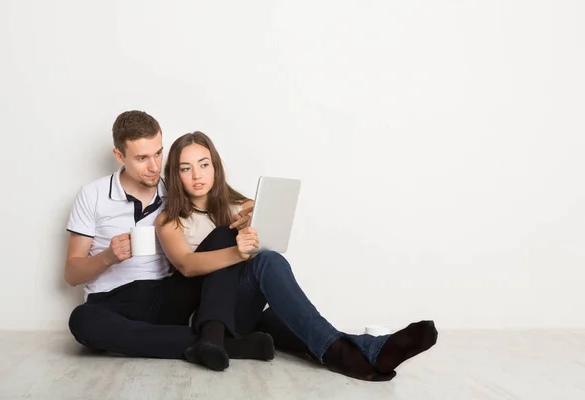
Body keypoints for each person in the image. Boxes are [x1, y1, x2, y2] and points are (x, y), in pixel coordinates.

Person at [155, 131, 439, 382]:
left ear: (215, 167)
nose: (197, 175)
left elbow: (267, 242)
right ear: (175, 175)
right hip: (205, 318)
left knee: (294, 321)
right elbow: (186, 265)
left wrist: (258, 217)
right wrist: (238, 252)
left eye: (204, 165)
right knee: (269, 265)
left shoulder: (239, 207)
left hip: (245, 310)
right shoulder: (170, 220)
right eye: (185, 168)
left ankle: (372, 351)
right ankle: (357, 352)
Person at [65, 111, 274, 372]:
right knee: (82, 320)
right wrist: (108, 256)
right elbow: (72, 274)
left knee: (222, 235)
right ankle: (229, 345)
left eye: (158, 154)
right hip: (109, 301)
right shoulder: (92, 195)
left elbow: (225, 203)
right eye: (142, 158)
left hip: (166, 296)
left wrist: (253, 212)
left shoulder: (176, 189)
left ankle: (209, 338)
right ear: (120, 156)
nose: (154, 167)